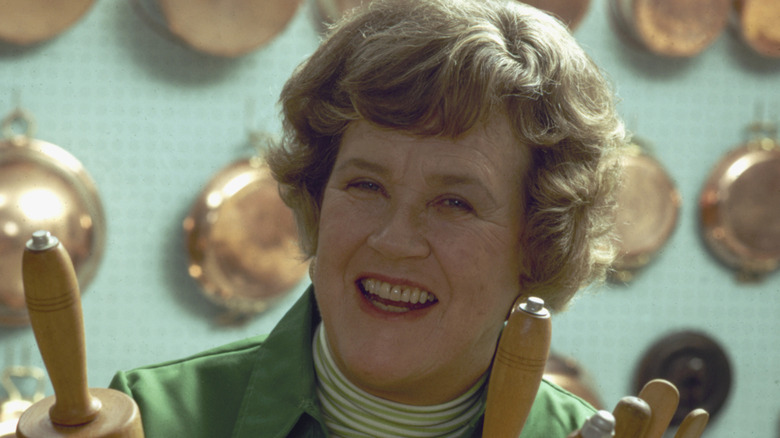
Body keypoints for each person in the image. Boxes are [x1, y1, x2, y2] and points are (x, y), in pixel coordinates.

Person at [109, 0, 626, 436]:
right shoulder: (147, 420)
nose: (394, 240)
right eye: (366, 186)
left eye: (454, 203)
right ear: (316, 197)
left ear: (538, 242)